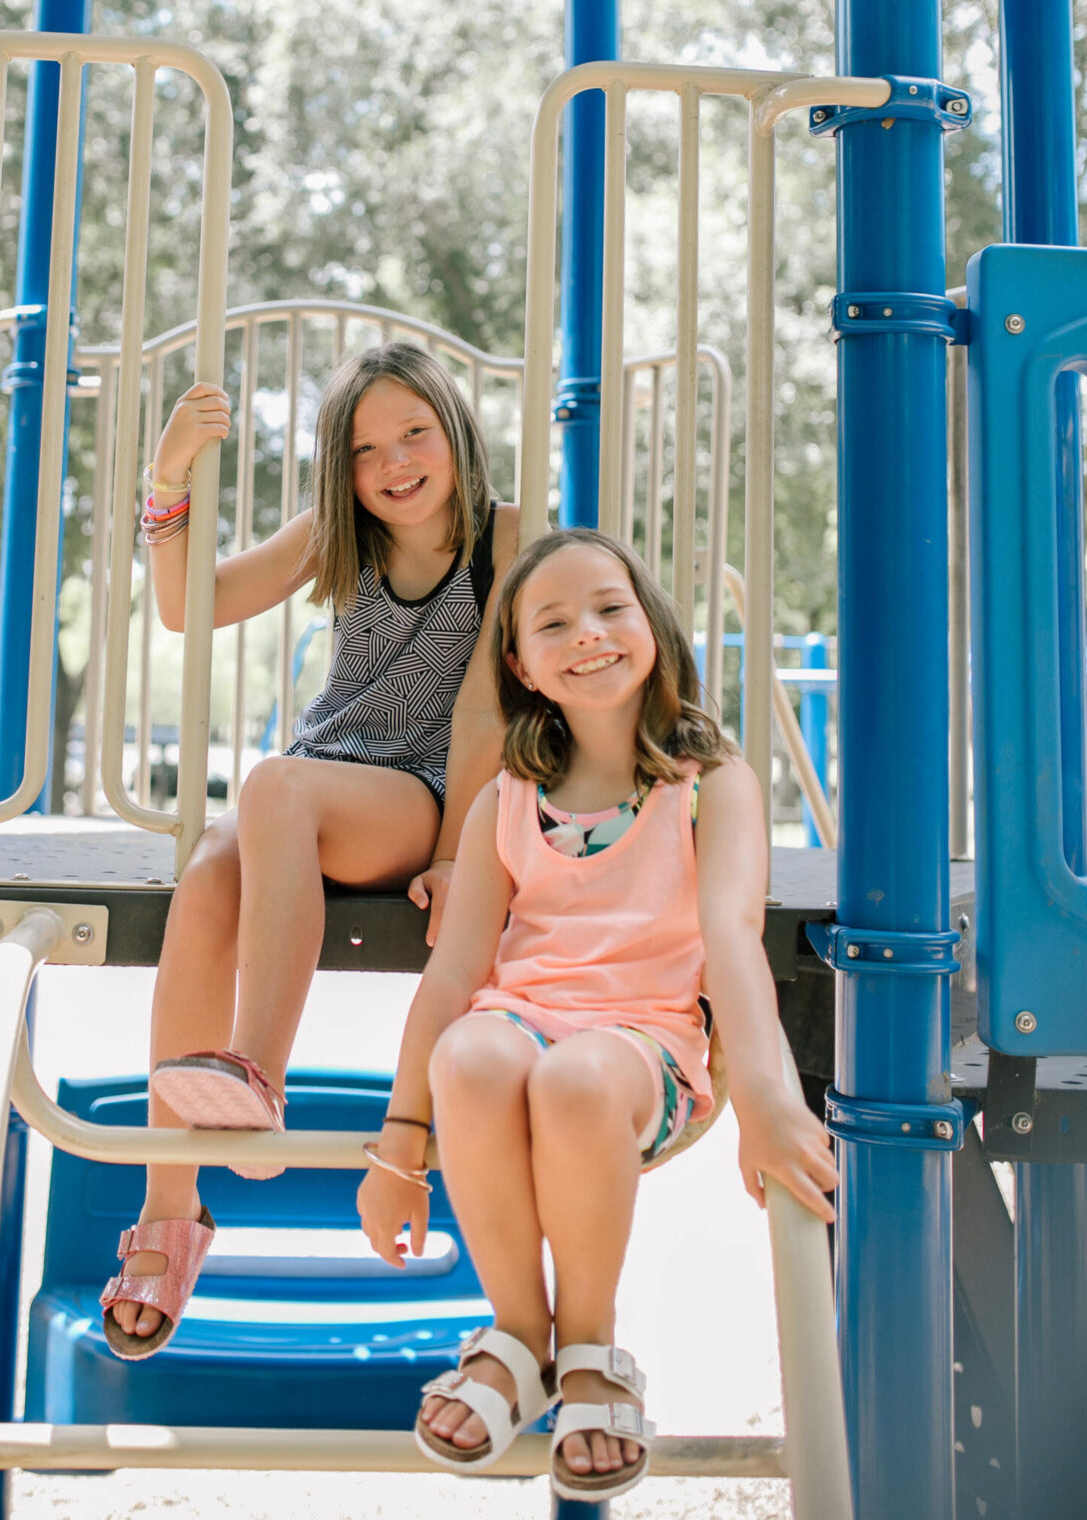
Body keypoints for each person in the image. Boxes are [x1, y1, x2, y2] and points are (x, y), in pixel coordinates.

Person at [356, 528, 837, 1502]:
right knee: (473, 1054)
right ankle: (518, 1334)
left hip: (643, 1047)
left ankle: (589, 1346)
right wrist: (398, 1149)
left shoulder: (710, 788)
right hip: (523, 1021)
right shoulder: (507, 797)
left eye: (611, 608)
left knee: (573, 1078)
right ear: (521, 664)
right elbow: (453, 977)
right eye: (554, 621)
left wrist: (769, 1102)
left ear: (651, 624)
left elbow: (732, 943)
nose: (589, 633)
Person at [99, 342, 519, 1358]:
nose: (395, 463)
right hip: (315, 788)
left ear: (456, 432)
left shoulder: (505, 538)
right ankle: (173, 1204)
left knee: (270, 788)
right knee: (208, 874)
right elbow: (184, 605)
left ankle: (255, 1075)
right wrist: (167, 479)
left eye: (415, 433)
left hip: (421, 797)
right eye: (368, 449)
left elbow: (480, 708)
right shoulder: (340, 533)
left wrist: (463, 853)